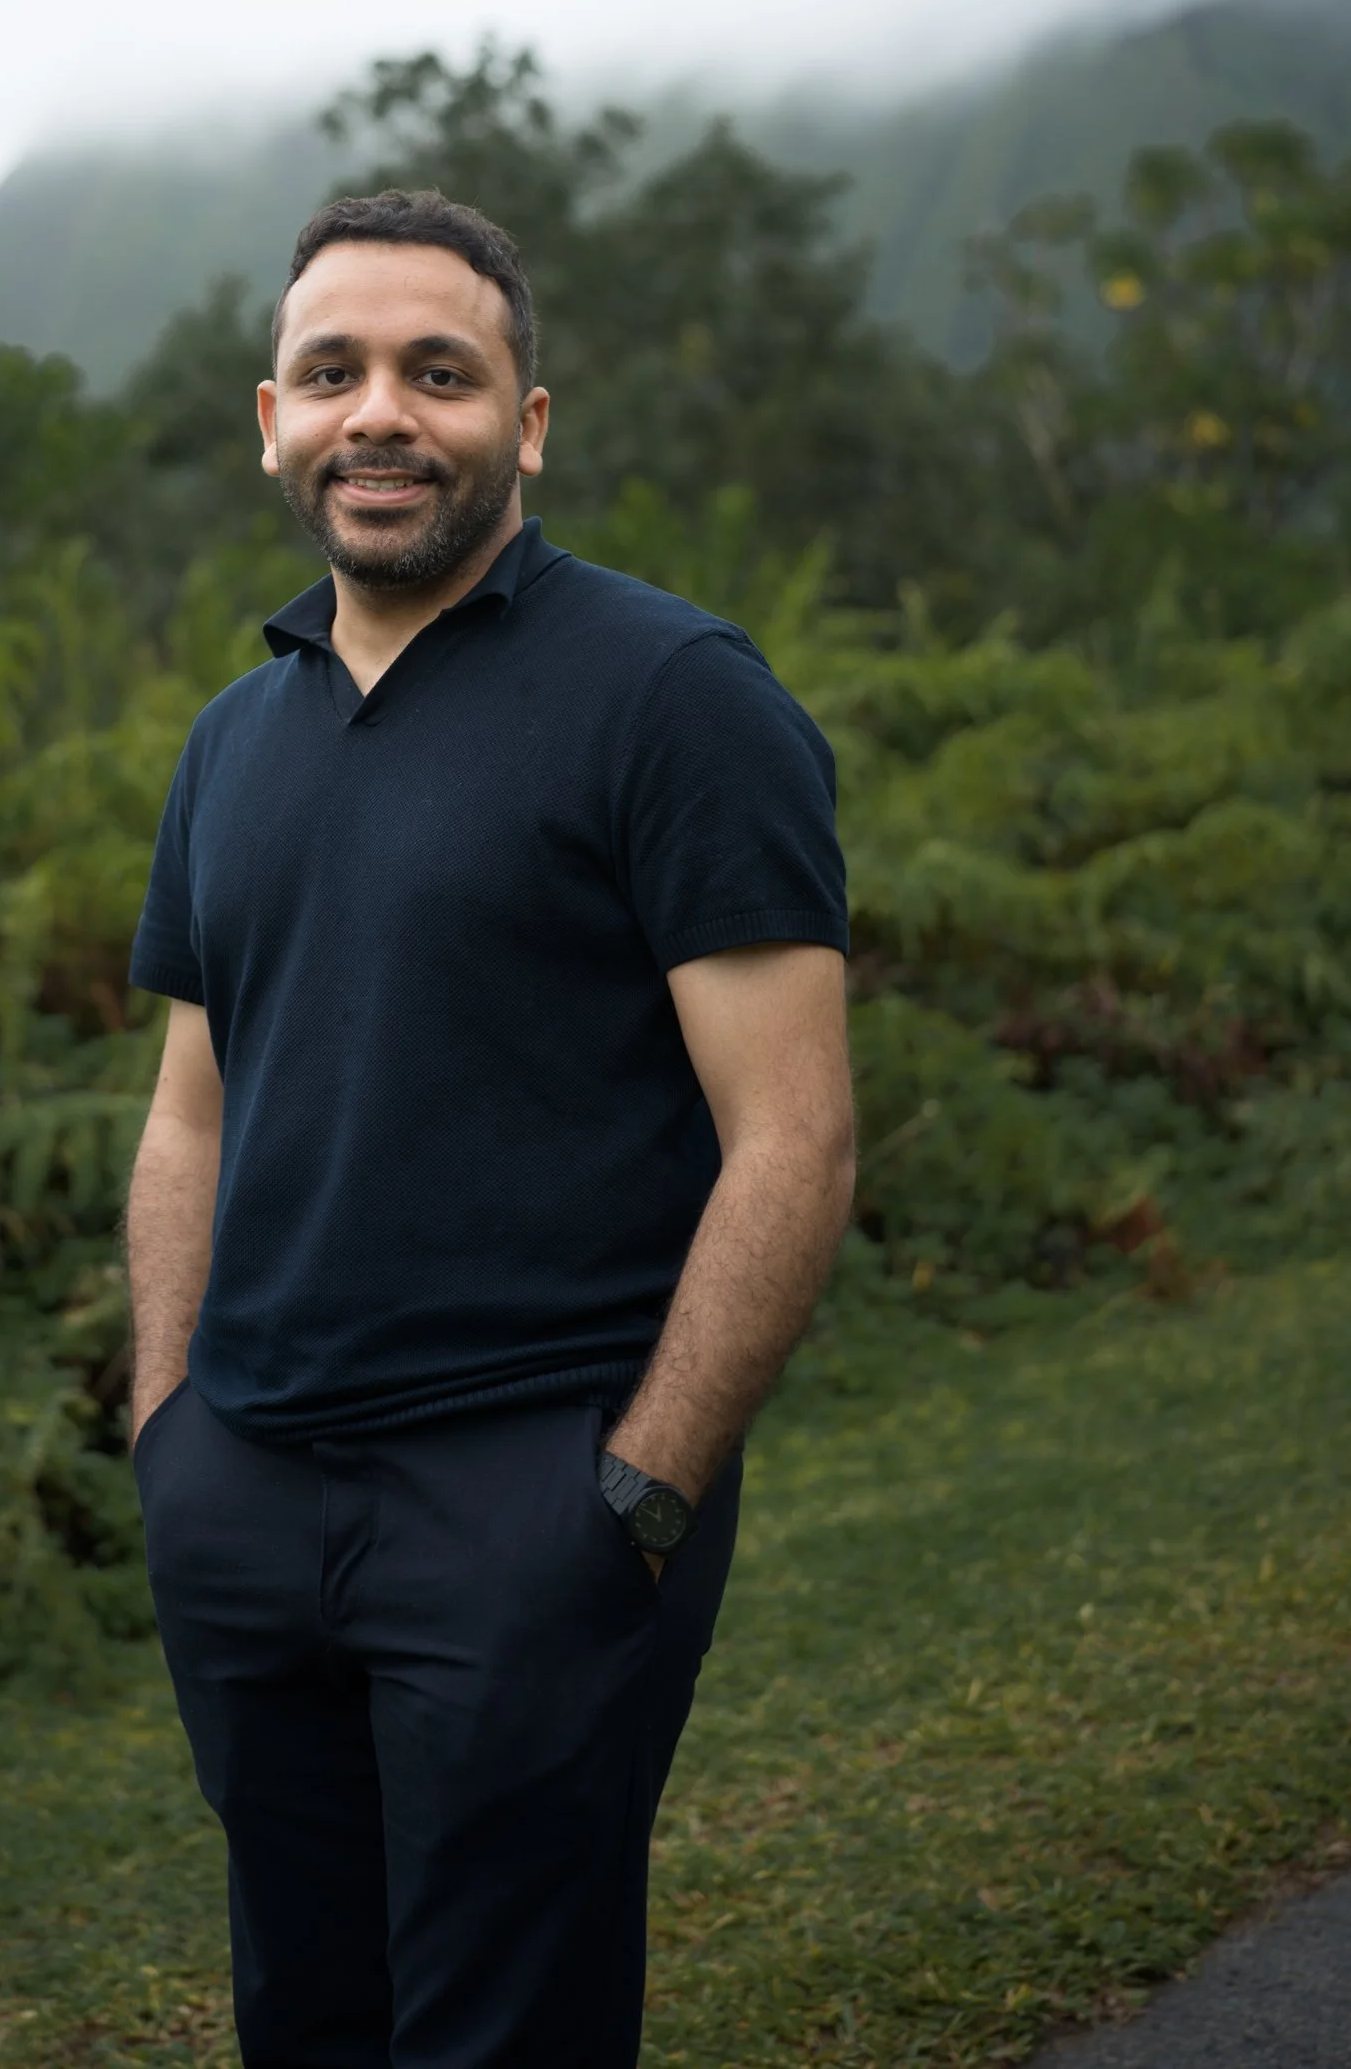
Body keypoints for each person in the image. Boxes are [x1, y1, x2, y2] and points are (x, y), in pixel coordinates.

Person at [125, 186, 855, 2069]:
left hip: (536, 1496)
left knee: (500, 2034)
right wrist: (169, 1430)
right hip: (250, 1498)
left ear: (524, 424)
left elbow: (794, 1138)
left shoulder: (672, 698)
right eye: (335, 372)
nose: (383, 411)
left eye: (439, 373)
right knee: (306, 2013)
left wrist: (642, 1487)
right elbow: (190, 1116)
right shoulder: (233, 741)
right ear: (269, 418)